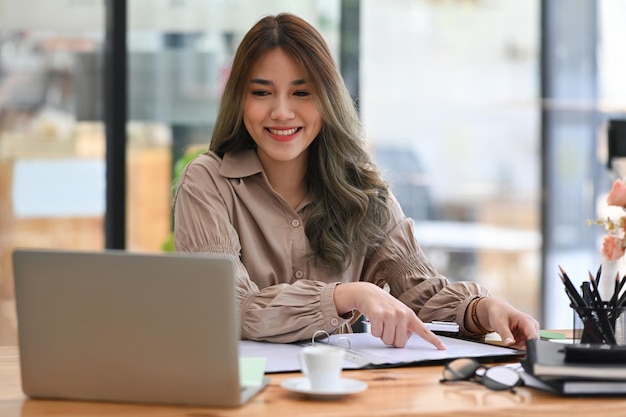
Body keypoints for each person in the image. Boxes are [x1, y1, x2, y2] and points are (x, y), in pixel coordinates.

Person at [173, 13, 539, 350]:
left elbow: (421, 292)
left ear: (327, 99)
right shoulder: (208, 182)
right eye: (262, 92)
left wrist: (482, 309)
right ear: (240, 100)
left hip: (343, 389)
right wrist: (346, 295)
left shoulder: (362, 189)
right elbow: (231, 307)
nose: (281, 111)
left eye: (302, 92)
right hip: (241, 393)